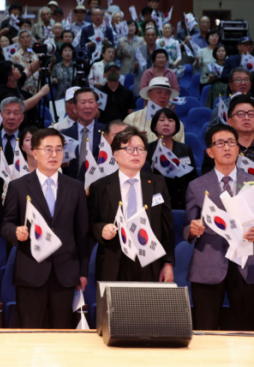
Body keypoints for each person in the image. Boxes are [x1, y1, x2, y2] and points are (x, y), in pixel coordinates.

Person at [0, 128, 89, 328]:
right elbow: (5, 224)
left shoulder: (75, 187)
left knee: (62, 331)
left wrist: (82, 272)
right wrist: (15, 233)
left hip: (65, 273)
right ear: (35, 152)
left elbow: (82, 233)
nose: (54, 154)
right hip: (30, 271)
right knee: (31, 332)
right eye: (48, 149)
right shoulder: (19, 186)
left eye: (58, 149)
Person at [183, 124, 254, 331]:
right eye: (220, 143)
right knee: (206, 329)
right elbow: (186, 227)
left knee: (248, 331)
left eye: (231, 142)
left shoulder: (251, 183)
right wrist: (192, 229)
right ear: (210, 151)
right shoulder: (196, 186)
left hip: (246, 265)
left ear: (238, 148)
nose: (227, 147)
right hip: (208, 264)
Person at [88, 126, 175, 282]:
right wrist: (102, 229)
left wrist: (168, 263)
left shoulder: (158, 183)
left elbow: (166, 227)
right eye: (129, 149)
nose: (136, 153)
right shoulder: (100, 187)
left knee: (148, 306)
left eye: (140, 149)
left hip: (150, 260)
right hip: (114, 260)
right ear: (115, 154)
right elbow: (90, 224)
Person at [146, 108, 198, 209]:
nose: (166, 123)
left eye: (170, 120)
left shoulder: (185, 149)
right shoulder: (146, 149)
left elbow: (192, 178)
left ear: (176, 127)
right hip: (155, 202)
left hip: (181, 201)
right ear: (154, 126)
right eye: (162, 120)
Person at [202, 94, 254, 175]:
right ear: (229, 121)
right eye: (240, 114)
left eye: (251, 114)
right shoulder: (216, 150)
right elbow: (207, 182)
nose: (246, 118)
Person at [61, 88, 106, 180]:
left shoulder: (107, 132)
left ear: (97, 106)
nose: (87, 106)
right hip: (71, 186)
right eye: (83, 102)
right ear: (74, 108)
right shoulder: (64, 135)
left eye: (91, 102)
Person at [124, 77, 185, 142]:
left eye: (167, 93)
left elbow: (180, 150)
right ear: (148, 94)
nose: (163, 96)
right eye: (159, 92)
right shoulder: (132, 119)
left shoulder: (177, 124)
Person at [131, 27, 158, 97]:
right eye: (148, 35)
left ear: (156, 37)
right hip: (141, 86)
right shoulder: (138, 50)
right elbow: (132, 70)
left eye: (153, 35)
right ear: (144, 37)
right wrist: (135, 67)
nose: (150, 37)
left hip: (157, 87)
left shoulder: (162, 51)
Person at [11, 30, 40, 95]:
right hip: (22, 90)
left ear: (31, 39)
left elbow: (42, 73)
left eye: (27, 37)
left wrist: (39, 89)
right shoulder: (15, 56)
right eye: (23, 37)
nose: (25, 39)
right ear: (19, 40)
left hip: (37, 89)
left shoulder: (37, 54)